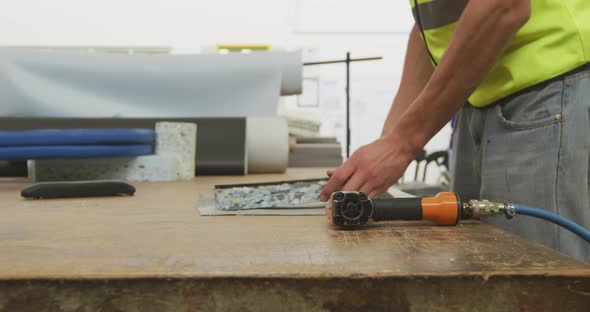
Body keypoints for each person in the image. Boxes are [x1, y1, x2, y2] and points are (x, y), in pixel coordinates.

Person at [320, 0, 590, 261]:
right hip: (479, 101)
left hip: (544, 88)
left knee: (540, 282)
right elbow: (433, 31)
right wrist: (387, 144)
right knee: (482, 272)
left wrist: (401, 143)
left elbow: (503, 6)